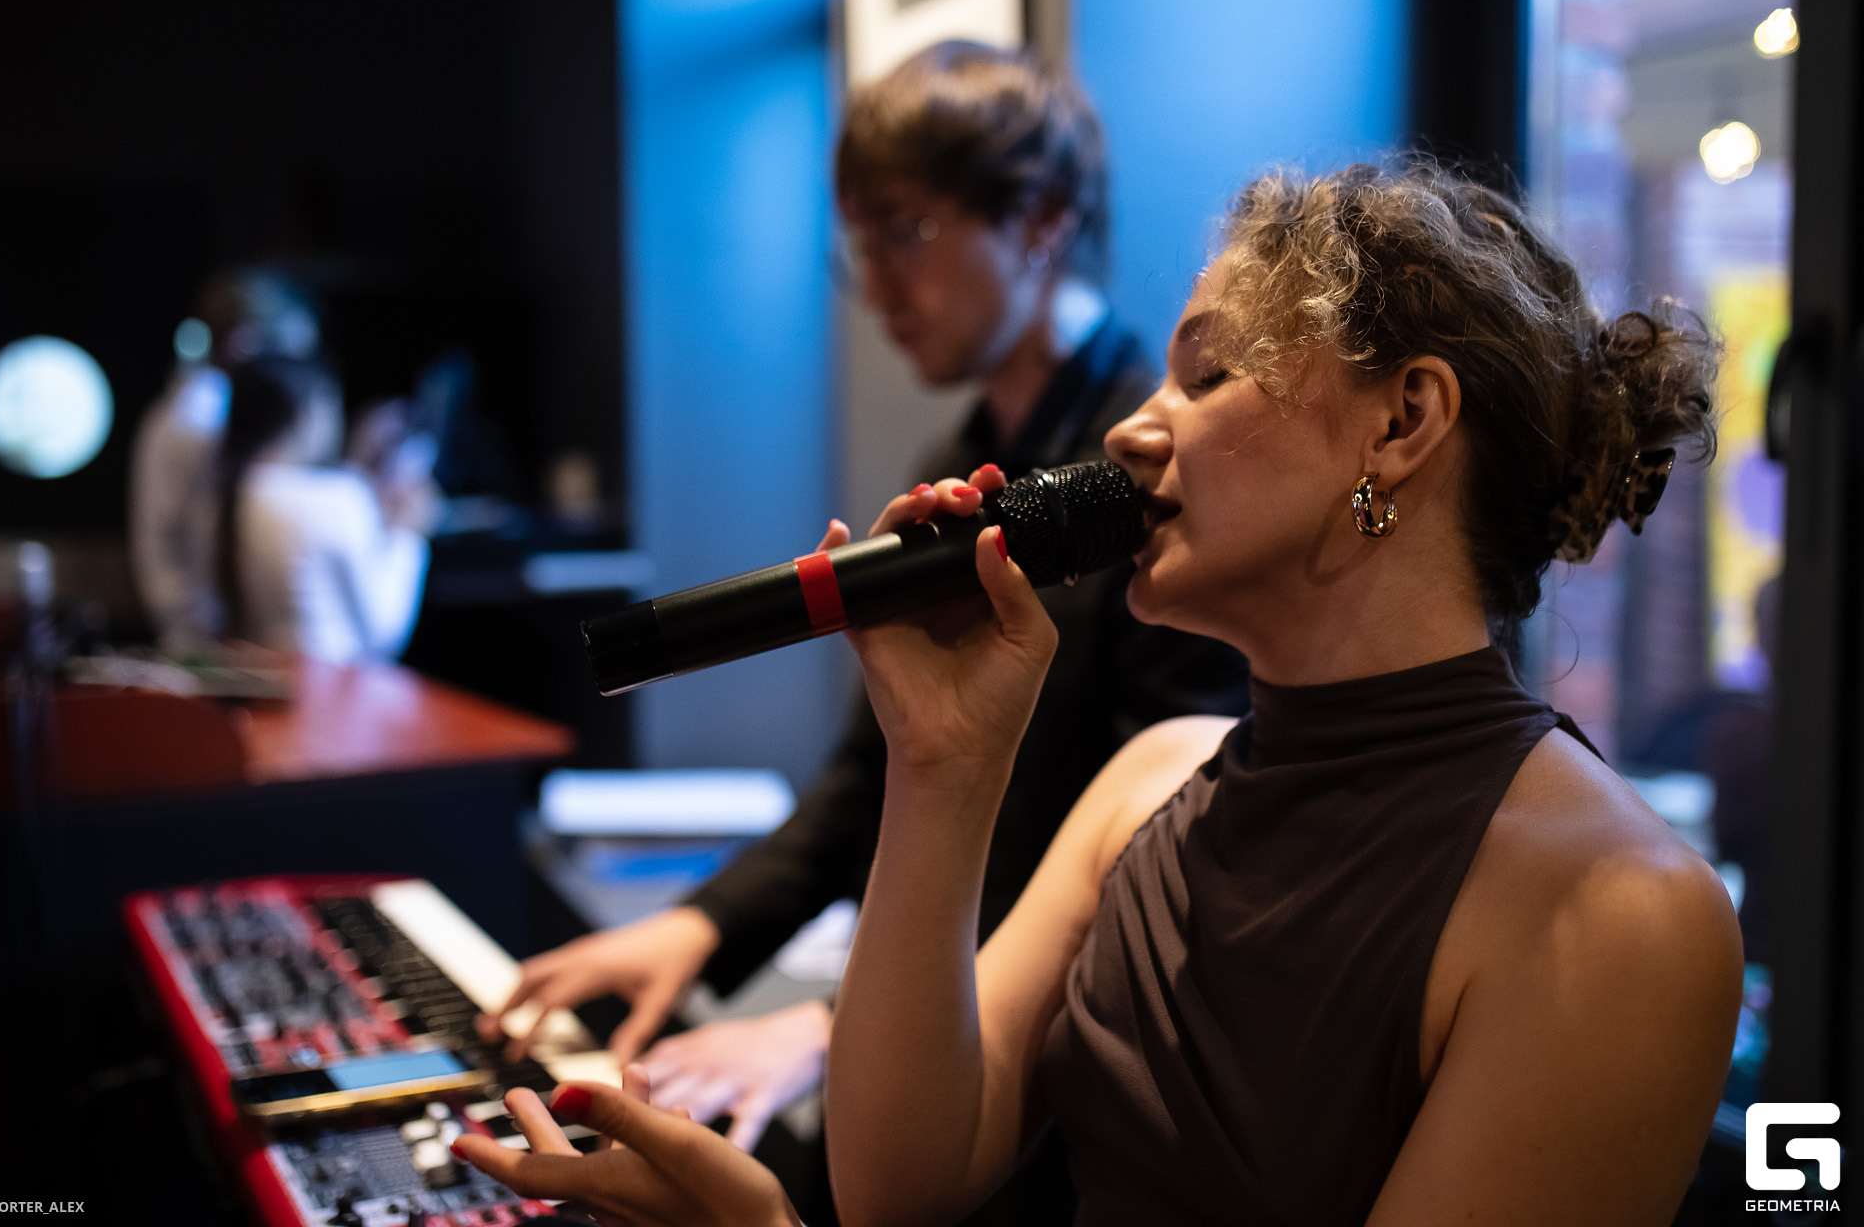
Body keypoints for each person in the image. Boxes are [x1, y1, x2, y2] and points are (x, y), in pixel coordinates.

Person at [454, 161, 1743, 1226]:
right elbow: (902, 1184)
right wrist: (944, 761)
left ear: (1400, 424)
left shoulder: (1622, 913)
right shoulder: (1152, 780)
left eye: (1208, 375)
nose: (1132, 428)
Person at [482, 41, 1248, 1214]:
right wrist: (702, 924)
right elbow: (865, 778)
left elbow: (1139, 864)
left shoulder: (1141, 483)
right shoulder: (961, 459)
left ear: (1042, 219)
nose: (878, 283)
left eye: (909, 232)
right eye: (861, 244)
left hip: (1060, 1088)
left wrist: (834, 1024)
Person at [129, 270, 322, 654]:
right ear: (242, 342)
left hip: (204, 633)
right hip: (205, 640)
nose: (290, 378)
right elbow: (200, 536)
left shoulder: (193, 405)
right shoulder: (203, 415)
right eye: (285, 355)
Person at [217, 357, 434, 665]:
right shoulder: (336, 497)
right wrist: (408, 534)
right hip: (335, 680)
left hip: (266, 668)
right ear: (302, 416)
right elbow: (386, 631)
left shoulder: (240, 488)